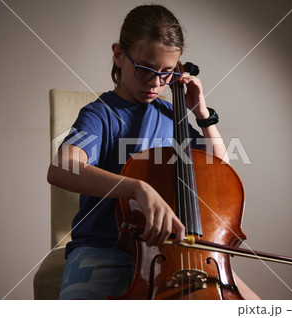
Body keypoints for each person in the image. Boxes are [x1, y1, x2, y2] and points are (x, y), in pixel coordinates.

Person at [47, 4, 260, 300]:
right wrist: (136, 188)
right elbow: (62, 168)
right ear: (119, 55)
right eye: (146, 69)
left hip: (178, 255)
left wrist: (201, 114)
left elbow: (220, 172)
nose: (156, 83)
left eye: (167, 73)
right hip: (104, 252)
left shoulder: (174, 117)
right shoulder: (100, 114)